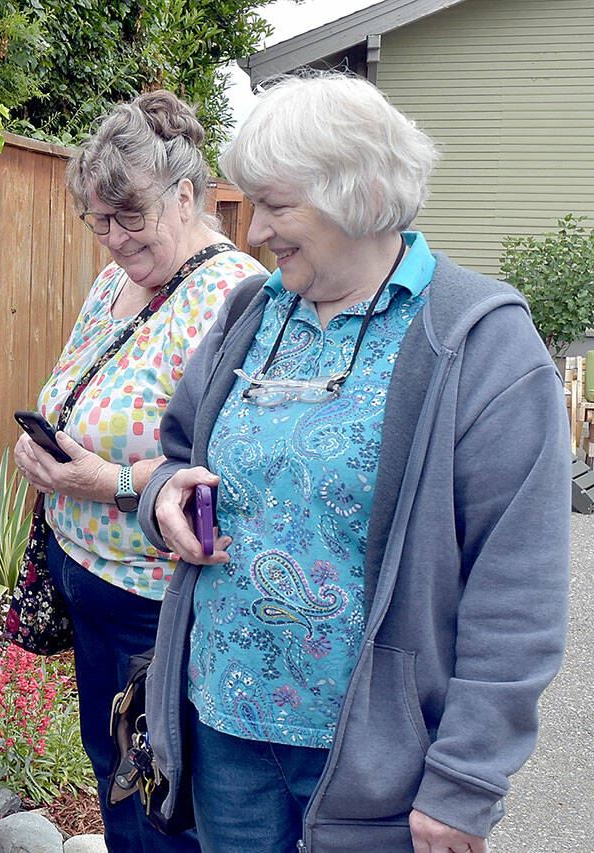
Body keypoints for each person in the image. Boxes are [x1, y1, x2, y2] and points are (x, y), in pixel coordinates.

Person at [136, 72, 569, 853]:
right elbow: (172, 455)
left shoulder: (480, 342)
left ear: (359, 191)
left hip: (377, 765)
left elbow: (519, 588)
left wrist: (466, 778)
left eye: (276, 203)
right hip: (225, 728)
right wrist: (165, 495)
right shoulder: (253, 313)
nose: (255, 227)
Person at [12, 90, 265, 851]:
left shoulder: (236, 297)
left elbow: (229, 479)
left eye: (130, 217)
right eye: (99, 220)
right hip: (88, 579)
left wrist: (105, 482)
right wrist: (48, 449)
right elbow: (85, 395)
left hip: (155, 608)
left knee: (157, 796)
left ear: (185, 195)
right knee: (111, 770)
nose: (114, 239)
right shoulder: (115, 283)